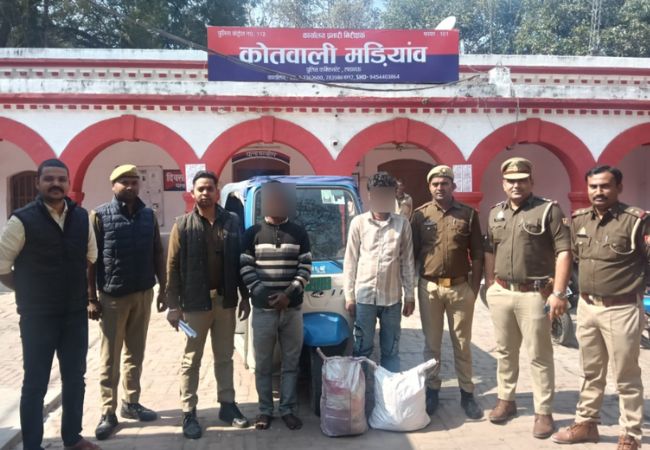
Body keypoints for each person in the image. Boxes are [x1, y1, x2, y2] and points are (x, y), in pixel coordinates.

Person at [0, 159, 101, 450]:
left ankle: (72, 437)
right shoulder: (22, 220)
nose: (56, 184)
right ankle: (32, 445)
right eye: (49, 179)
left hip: (74, 313)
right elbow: (2, 267)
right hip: (37, 316)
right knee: (35, 382)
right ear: (38, 183)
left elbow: (91, 257)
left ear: (68, 183)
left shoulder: (81, 217)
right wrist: (30, 291)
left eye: (61, 179)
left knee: (75, 378)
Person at [552, 166, 648, 450]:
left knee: (626, 375)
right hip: (587, 307)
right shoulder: (580, 220)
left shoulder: (636, 221)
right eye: (593, 186)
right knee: (591, 371)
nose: (598, 192)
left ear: (619, 187)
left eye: (605, 186)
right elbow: (571, 258)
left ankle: (630, 434)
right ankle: (587, 423)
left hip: (622, 309)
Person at [484, 157, 572, 439]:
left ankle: (543, 412)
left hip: (534, 294)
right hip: (502, 292)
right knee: (505, 351)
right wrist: (490, 284)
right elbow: (490, 250)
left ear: (531, 182)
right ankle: (506, 400)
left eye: (522, 180)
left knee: (539, 355)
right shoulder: (495, 213)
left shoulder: (548, 211)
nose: (516, 185)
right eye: (511, 181)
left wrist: (559, 292)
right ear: (503, 183)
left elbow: (564, 252)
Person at [166, 170, 251, 440]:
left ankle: (227, 405)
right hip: (194, 305)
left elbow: (239, 260)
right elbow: (172, 267)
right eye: (200, 189)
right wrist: (173, 306)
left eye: (209, 188)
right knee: (191, 359)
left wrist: (244, 296)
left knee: (224, 356)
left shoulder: (232, 221)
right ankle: (188, 411)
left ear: (217, 191)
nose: (205, 193)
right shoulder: (182, 225)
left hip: (225, 302)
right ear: (193, 193)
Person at [88, 164, 166, 440]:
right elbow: (90, 259)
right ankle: (107, 410)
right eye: (124, 182)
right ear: (113, 185)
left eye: (134, 181)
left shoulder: (148, 215)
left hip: (143, 293)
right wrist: (91, 298)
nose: (131, 186)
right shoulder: (99, 216)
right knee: (110, 356)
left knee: (136, 352)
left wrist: (164, 288)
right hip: (113, 297)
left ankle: (131, 402)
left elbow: (157, 252)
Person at [410, 165, 484, 419]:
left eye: (444, 183)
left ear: (453, 186)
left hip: (460, 287)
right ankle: (432, 390)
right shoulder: (420, 215)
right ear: (429, 187)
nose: (440, 188)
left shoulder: (468, 214)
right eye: (435, 184)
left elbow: (477, 253)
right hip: (429, 288)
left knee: (462, 344)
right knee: (431, 345)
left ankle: (467, 393)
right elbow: (412, 254)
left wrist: (474, 288)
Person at [240, 180, 311, 431]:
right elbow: (246, 267)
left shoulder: (299, 232)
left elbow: (305, 267)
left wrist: (288, 294)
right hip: (263, 310)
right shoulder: (252, 233)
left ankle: (288, 409)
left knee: (291, 363)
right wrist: (263, 293)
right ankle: (265, 411)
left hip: (292, 310)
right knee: (263, 364)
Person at [344, 172, 415, 374]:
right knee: (362, 349)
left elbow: (407, 262)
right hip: (364, 298)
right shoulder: (358, 223)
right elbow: (350, 261)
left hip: (392, 300)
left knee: (391, 350)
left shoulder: (402, 224)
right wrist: (349, 296)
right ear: (370, 195)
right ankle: (361, 390)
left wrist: (410, 295)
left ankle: (387, 390)